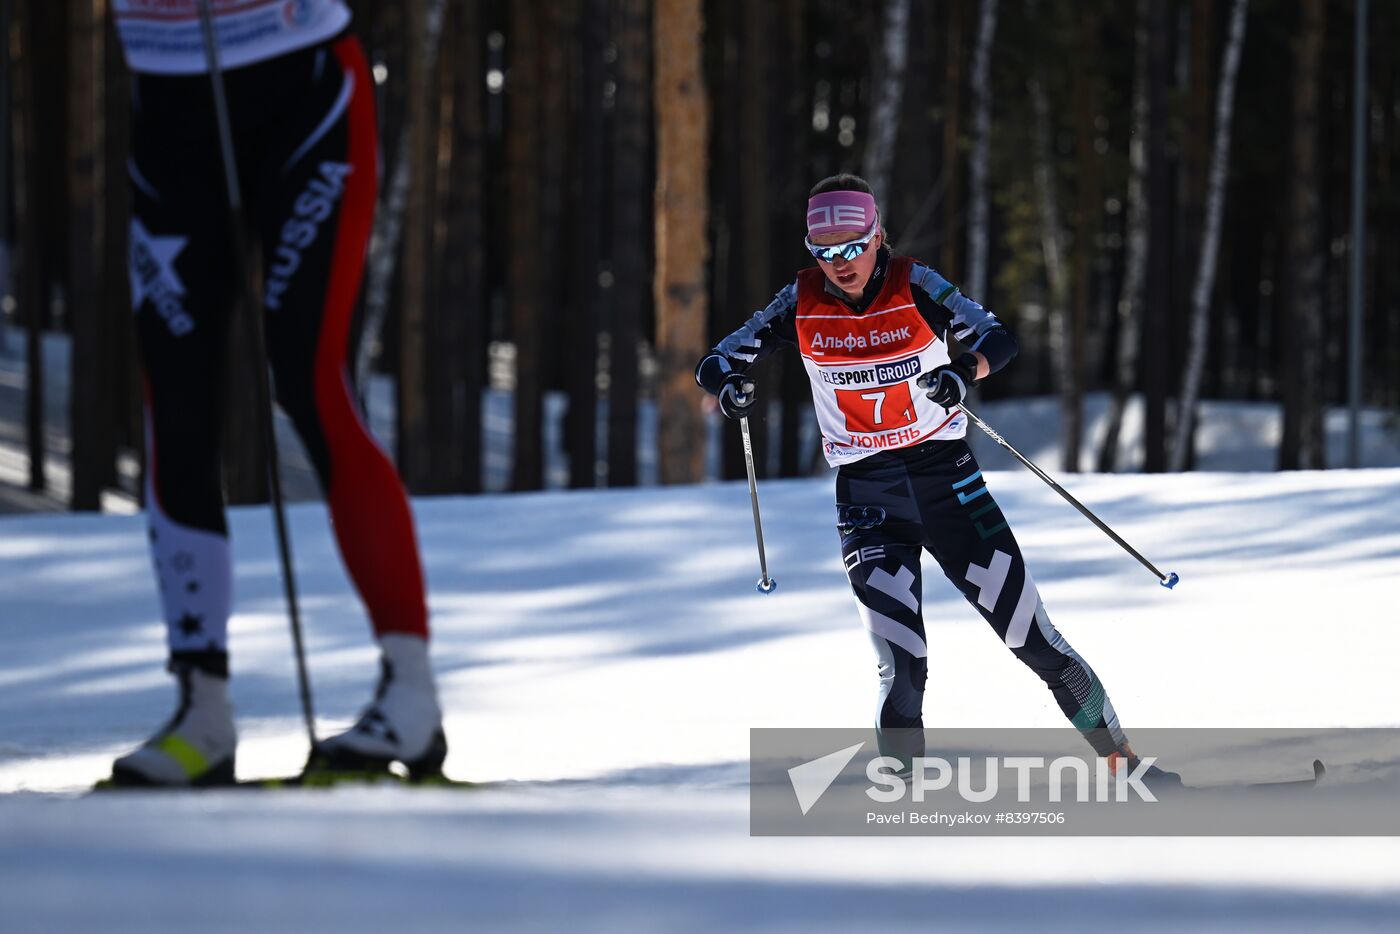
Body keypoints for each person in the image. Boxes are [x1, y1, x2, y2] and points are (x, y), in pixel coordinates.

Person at [695, 174, 1175, 783]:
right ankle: (902, 800)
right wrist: (729, 385)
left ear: (877, 237)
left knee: (1034, 640)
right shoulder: (801, 300)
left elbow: (998, 339)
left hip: (948, 488)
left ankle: (1128, 771)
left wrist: (963, 371)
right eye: (824, 250)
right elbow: (717, 360)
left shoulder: (915, 284)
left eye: (852, 246)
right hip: (868, 501)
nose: (839, 263)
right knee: (903, 664)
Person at [109, 0, 445, 785]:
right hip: (168, 101)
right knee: (178, 399)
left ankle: (411, 699)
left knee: (312, 375)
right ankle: (202, 716)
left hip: (306, 86)